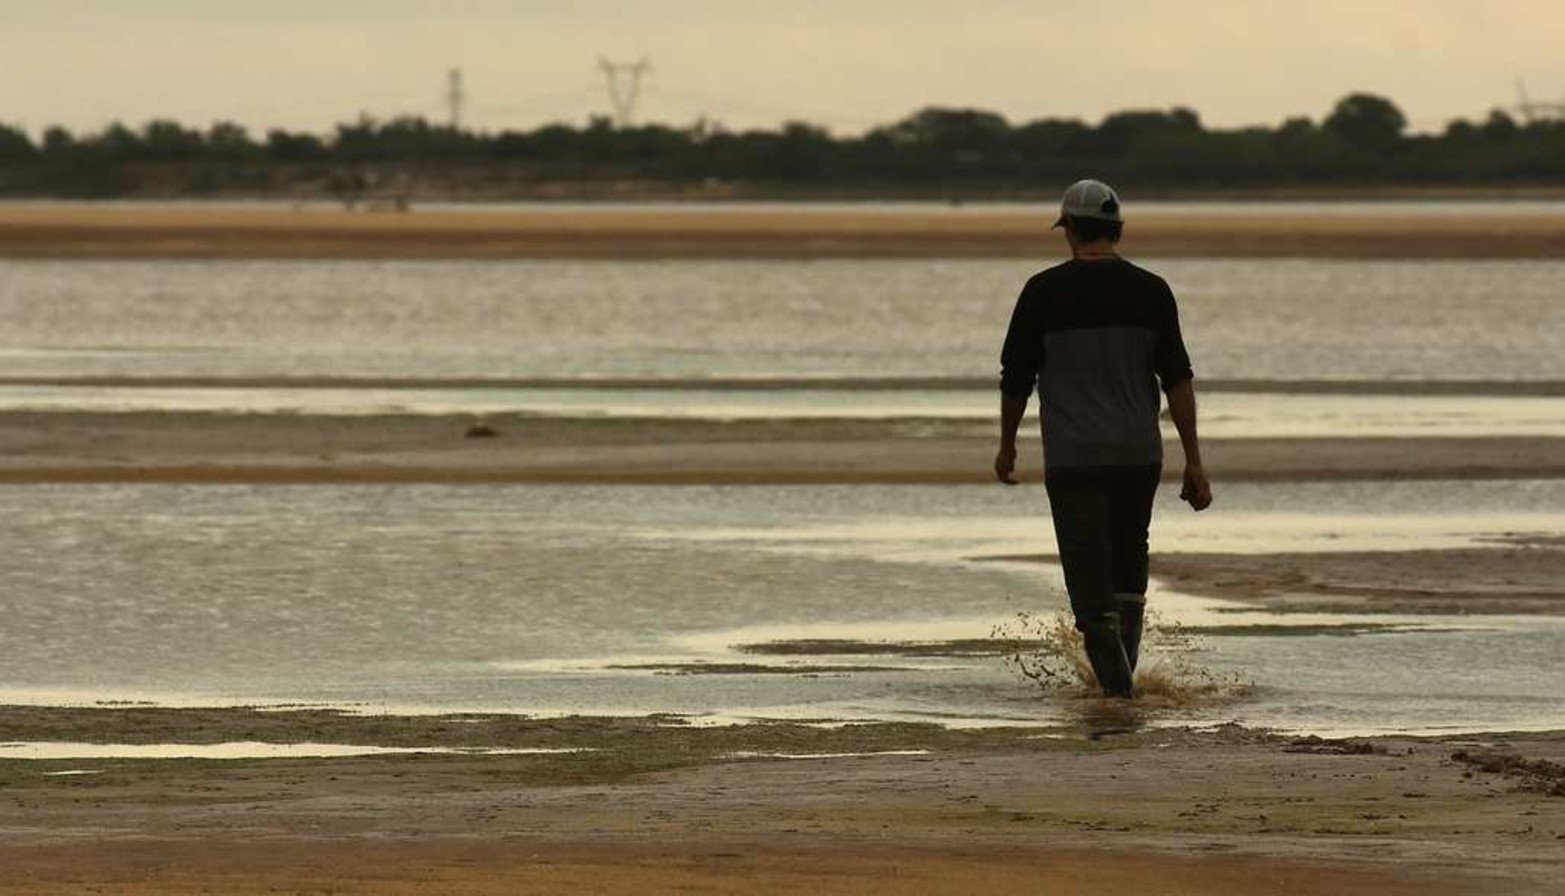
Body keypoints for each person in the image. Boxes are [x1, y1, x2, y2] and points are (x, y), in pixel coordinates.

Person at [994, 178, 1211, 698]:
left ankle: (1119, 704)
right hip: (1139, 455)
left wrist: (1007, 445)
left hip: (1074, 458)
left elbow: (1016, 377)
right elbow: (1177, 379)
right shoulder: (1152, 290)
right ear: (1117, 228)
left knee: (1092, 603)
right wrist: (1195, 462)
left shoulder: (1042, 291)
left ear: (1068, 229)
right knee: (1127, 577)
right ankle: (1121, 691)